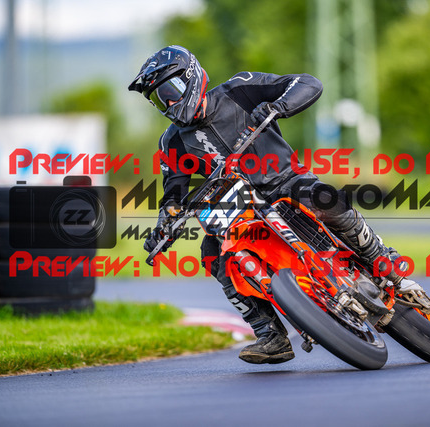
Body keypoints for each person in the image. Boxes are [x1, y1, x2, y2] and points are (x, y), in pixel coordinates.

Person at [129, 45, 407, 365]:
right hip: (238, 207)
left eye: (169, 91)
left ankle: (381, 258)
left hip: (286, 181)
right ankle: (270, 334)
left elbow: (307, 83)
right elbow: (173, 194)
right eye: (157, 99)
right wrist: (165, 224)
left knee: (325, 199)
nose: (167, 103)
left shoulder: (238, 89)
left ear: (189, 78)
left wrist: (279, 105)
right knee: (213, 252)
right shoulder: (172, 142)